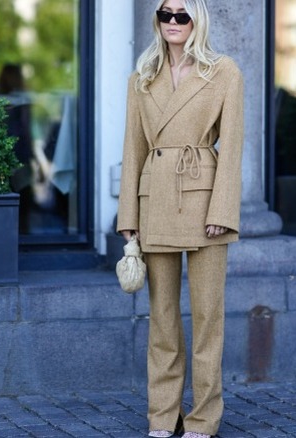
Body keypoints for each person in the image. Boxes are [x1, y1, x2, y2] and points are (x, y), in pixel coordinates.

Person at [116, 1, 244, 437]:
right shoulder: (141, 78)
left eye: (182, 15)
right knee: (163, 318)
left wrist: (222, 211)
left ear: (198, 20)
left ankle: (204, 420)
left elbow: (233, 149)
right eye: (165, 14)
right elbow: (132, 150)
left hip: (204, 200)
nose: (173, 22)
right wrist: (128, 217)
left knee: (208, 318)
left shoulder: (223, 71)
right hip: (155, 200)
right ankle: (161, 417)